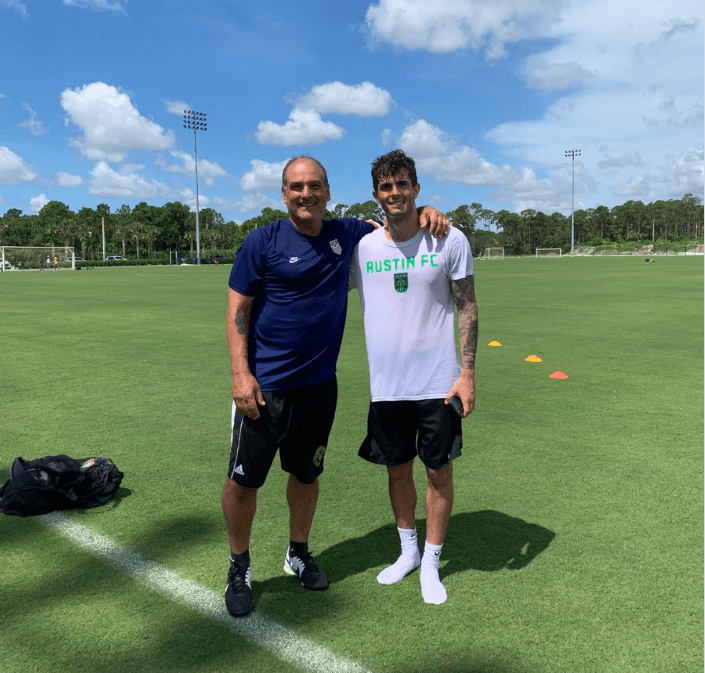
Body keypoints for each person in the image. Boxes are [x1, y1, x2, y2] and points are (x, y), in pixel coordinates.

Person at [223, 155, 448, 617]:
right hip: (265, 386)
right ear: (284, 194)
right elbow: (238, 310)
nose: (305, 194)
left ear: (328, 191)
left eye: (314, 186)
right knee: (244, 483)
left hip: (320, 387)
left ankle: (298, 553)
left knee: (306, 475)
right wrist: (240, 373)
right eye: (296, 187)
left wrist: (427, 214)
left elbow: (398, 222)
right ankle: (238, 565)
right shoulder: (261, 242)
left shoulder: (349, 234)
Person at [349, 149, 478, 605]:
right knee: (397, 471)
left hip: (439, 384)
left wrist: (467, 372)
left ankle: (432, 563)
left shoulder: (449, 239)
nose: (395, 193)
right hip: (387, 386)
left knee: (438, 473)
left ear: (417, 189)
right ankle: (408, 553)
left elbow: (467, 305)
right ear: (376, 195)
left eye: (403, 185)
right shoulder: (362, 247)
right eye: (386, 187)